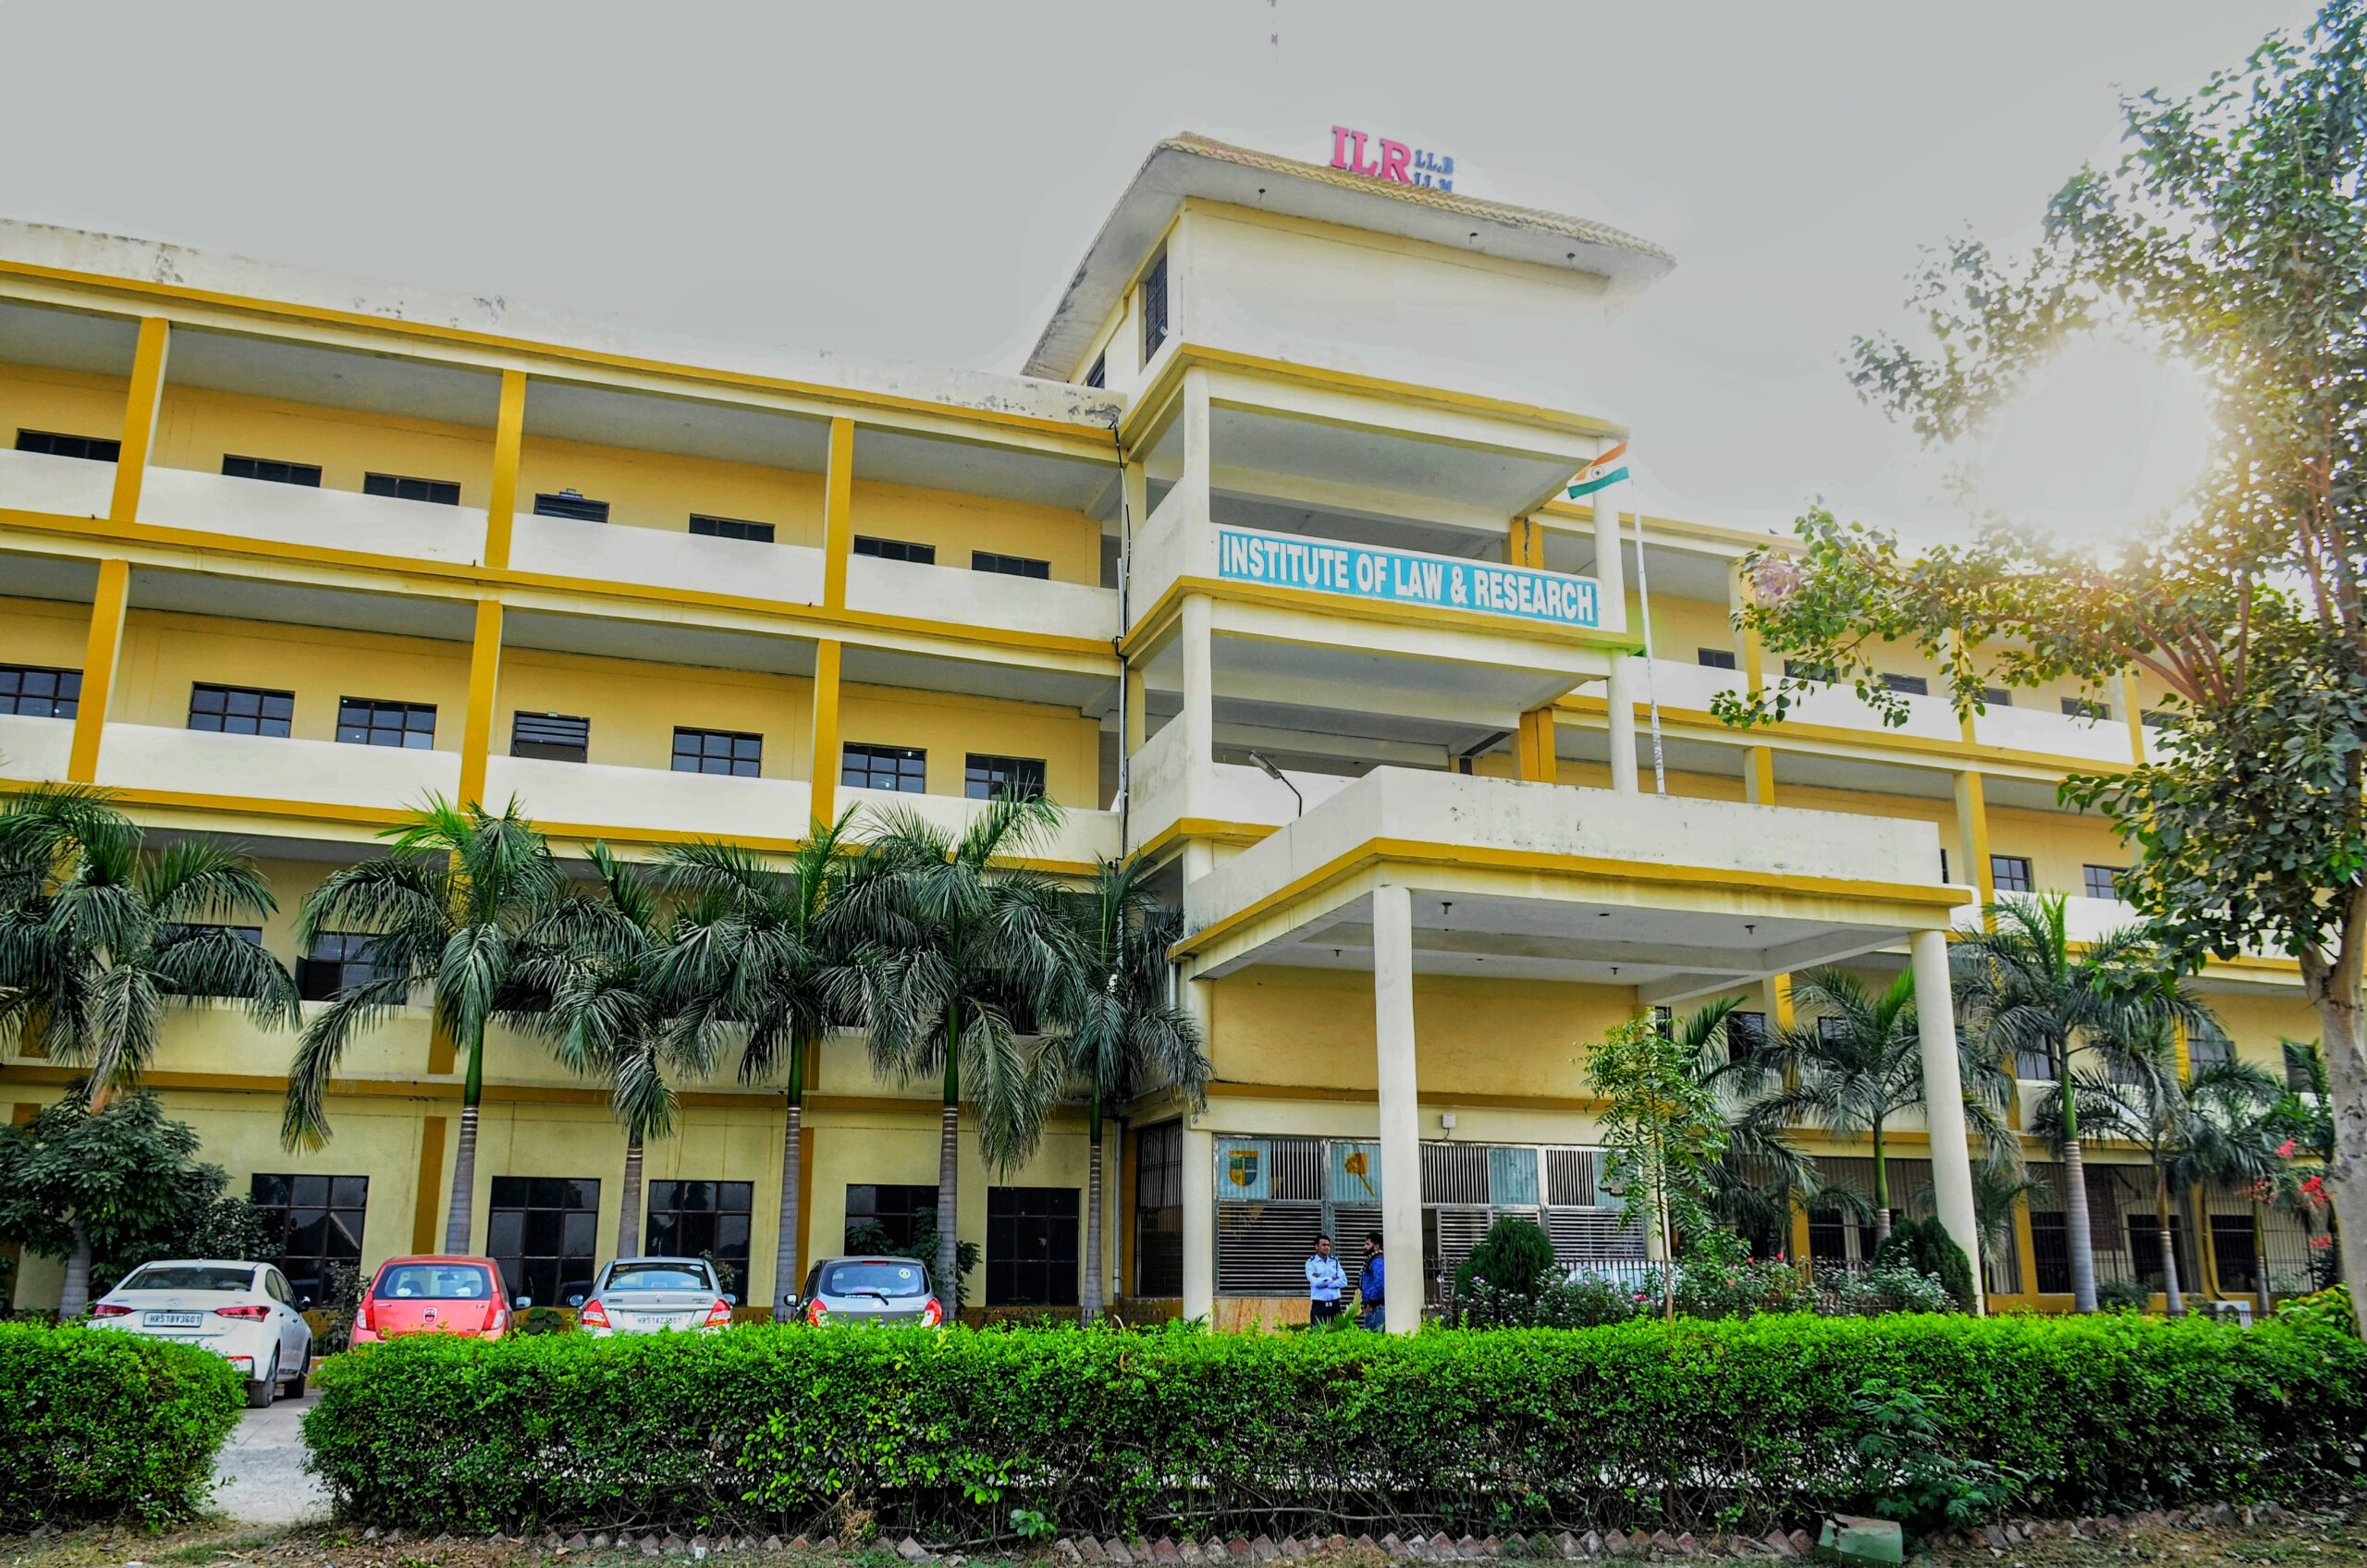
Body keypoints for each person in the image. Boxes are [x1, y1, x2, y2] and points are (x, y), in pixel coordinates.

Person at [1305, 1236, 1347, 1324]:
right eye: (1323, 1245)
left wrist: (1326, 1283)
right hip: (1319, 1305)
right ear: (1316, 1247)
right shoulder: (1311, 1263)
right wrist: (1332, 1279)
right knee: (1318, 1333)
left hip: (1335, 1305)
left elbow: (1343, 1281)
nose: (1327, 1247)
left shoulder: (1334, 1261)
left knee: (1338, 1333)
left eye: (1328, 1245)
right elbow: (1315, 1282)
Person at [1356, 1231, 1386, 1330]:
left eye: (1368, 1244)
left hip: (1376, 1307)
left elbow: (1380, 1284)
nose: (1364, 1247)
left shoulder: (1377, 1261)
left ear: (1376, 1246)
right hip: (1374, 1306)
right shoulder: (1372, 1260)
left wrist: (1371, 1302)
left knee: (1375, 1336)